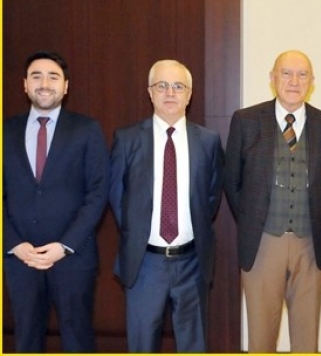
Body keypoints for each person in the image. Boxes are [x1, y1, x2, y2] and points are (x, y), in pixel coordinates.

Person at [224, 50, 321, 352]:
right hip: (263, 243)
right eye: (286, 73)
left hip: (310, 244)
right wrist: (253, 219)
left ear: (312, 81)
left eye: (302, 75)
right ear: (272, 78)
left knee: (306, 339)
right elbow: (232, 181)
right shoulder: (246, 120)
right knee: (261, 337)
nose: (294, 81)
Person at [109, 59, 223, 351]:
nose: (170, 93)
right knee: (142, 345)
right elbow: (117, 197)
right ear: (150, 92)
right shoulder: (127, 139)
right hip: (145, 263)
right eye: (162, 86)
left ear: (189, 94)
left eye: (178, 86)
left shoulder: (209, 141)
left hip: (192, 261)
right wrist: (138, 233)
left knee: (193, 346)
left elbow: (210, 198)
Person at [3, 51, 109, 352]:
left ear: (65, 86)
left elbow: (98, 193)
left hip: (73, 258)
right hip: (20, 258)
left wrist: (64, 246)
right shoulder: (4, 131)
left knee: (77, 340)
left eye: (53, 77)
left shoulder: (87, 129)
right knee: (26, 340)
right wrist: (13, 244)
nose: (45, 84)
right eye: (36, 76)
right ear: (25, 85)